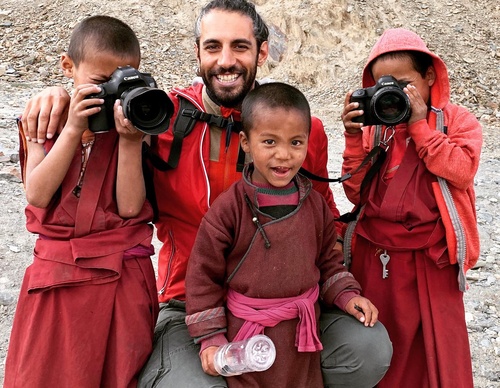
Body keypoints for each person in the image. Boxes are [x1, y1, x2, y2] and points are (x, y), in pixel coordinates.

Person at [19, 1, 393, 387]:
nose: (225, 60)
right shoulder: (158, 118)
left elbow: (322, 225)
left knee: (367, 349)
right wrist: (55, 96)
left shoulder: (297, 130)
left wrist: (342, 291)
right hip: (186, 304)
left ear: (262, 52)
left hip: (285, 305)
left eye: (240, 47)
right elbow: (95, 109)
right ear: (197, 52)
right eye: (213, 47)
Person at [184, 82, 379, 388]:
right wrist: (210, 338)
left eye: (296, 143)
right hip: (246, 339)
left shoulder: (313, 204)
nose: (284, 155)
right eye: (270, 142)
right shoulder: (228, 208)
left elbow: (329, 261)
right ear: (246, 142)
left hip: (301, 338)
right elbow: (203, 276)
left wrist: (346, 295)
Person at [4, 15, 159, 388]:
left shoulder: (135, 121)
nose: (111, 92)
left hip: (119, 280)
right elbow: (38, 194)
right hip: (56, 283)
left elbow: (129, 208)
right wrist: (73, 128)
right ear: (67, 67)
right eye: (100, 82)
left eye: (122, 79)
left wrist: (129, 140)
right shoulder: (47, 121)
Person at [340, 28, 482, 388]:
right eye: (383, 85)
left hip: (431, 261)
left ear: (429, 76)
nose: (393, 95)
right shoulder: (378, 127)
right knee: (382, 345)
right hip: (377, 256)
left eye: (404, 84)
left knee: (434, 354)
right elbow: (356, 194)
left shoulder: (458, 121)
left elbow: (461, 171)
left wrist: (420, 127)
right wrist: (354, 136)